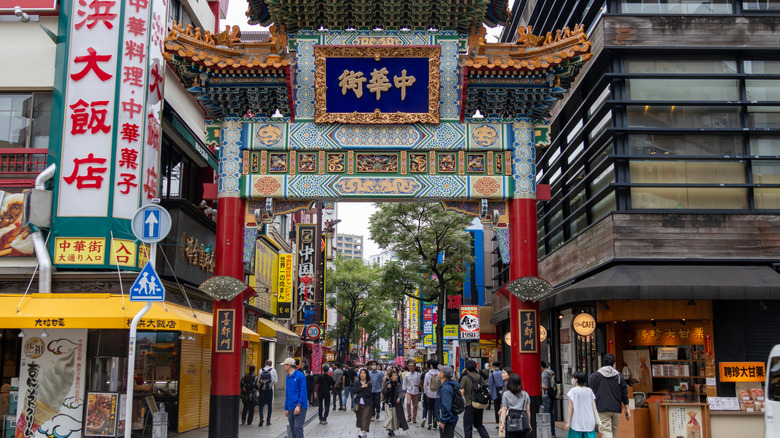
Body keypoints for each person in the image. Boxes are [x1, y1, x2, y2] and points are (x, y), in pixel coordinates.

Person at [588, 353, 630, 438]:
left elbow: (590, 393)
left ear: (603, 362)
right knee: (612, 434)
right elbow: (624, 394)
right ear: (614, 363)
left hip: (602, 408)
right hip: (616, 409)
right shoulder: (619, 376)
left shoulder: (596, 376)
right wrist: (627, 409)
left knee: (606, 432)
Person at [564, 371, 600, 438]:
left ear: (576, 380)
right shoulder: (589, 391)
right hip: (589, 422)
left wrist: (568, 422)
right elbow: (593, 406)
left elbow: (570, 407)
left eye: (573, 378)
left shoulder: (573, 391)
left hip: (577, 422)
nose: (572, 380)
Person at [460, 360, 490, 438]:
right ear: (475, 368)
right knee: (479, 425)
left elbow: (461, 391)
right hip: (479, 404)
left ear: (466, 369)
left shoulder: (465, 378)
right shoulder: (480, 377)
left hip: (470, 405)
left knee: (467, 426)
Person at [499, 373, 532, 438]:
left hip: (511, 418)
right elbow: (528, 411)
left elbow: (504, 409)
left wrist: (502, 424)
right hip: (523, 418)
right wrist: (529, 423)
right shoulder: (525, 394)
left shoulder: (506, 394)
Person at [283, 358, 308, 438]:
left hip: (300, 406)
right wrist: (286, 408)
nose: (284, 367)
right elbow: (287, 393)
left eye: (285, 365)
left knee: (297, 427)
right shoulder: (288, 377)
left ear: (289, 365)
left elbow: (303, 392)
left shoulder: (300, 376)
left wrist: (299, 405)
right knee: (292, 428)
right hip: (290, 406)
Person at [434, 366, 461, 438]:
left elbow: (446, 405)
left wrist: (443, 420)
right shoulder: (449, 385)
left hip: (448, 420)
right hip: (449, 418)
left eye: (440, 371)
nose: (439, 373)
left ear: (442, 375)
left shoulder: (446, 388)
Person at [382, 369, 409, 436]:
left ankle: (392, 430)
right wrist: (387, 388)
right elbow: (383, 392)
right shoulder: (387, 383)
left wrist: (399, 398)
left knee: (394, 418)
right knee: (389, 417)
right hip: (388, 403)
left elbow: (400, 392)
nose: (395, 376)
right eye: (394, 375)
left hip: (395, 404)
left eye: (396, 375)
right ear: (391, 377)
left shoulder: (398, 385)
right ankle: (389, 428)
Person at [354, 368, 374, 438]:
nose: (362, 375)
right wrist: (362, 387)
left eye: (363, 373)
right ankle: (364, 432)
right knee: (359, 418)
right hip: (358, 403)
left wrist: (358, 394)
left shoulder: (369, 384)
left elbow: (368, 394)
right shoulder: (357, 382)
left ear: (366, 375)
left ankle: (363, 432)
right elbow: (354, 390)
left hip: (367, 404)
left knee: (365, 418)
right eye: (361, 373)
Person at [258, 359, 278, 426]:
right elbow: (275, 381)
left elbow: (258, 381)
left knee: (261, 405)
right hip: (269, 389)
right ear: (271, 364)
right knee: (269, 405)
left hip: (262, 390)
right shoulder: (273, 370)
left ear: (265, 363)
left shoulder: (260, 370)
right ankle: (268, 420)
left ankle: (261, 417)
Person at [422, 360, 440, 430]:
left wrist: (426, 393)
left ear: (431, 365)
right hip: (438, 394)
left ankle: (429, 423)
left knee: (430, 409)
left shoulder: (427, 374)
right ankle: (435, 424)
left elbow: (425, 385)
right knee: (436, 410)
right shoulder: (440, 374)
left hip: (430, 394)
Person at [541, 361, 557, 437]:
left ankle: (547, 432)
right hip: (552, 395)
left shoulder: (544, 373)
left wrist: (538, 384)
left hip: (546, 395)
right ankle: (552, 432)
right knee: (551, 414)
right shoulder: (551, 372)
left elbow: (545, 386)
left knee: (546, 414)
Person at [488, 361, 504, 427]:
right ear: (500, 366)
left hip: (495, 393)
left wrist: (491, 393)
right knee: (504, 407)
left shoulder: (491, 375)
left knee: (496, 408)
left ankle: (498, 423)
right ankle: (503, 421)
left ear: (494, 366)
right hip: (503, 393)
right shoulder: (503, 373)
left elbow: (490, 385)